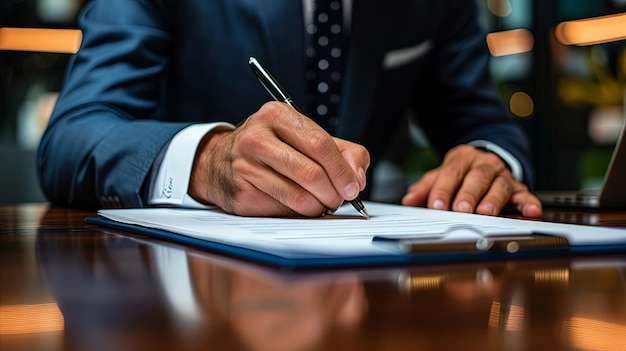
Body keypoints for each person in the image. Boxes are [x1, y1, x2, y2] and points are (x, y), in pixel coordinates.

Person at [37, 0, 543, 218]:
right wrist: (208, 162)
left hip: (369, 283)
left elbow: (482, 121)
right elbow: (73, 136)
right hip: (181, 296)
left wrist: (488, 158)